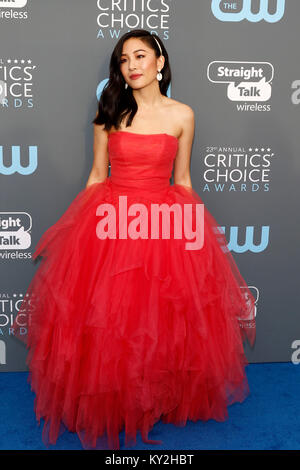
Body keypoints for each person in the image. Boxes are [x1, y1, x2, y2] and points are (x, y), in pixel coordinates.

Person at [13, 29, 256, 450]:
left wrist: (197, 235)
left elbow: (182, 179)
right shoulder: (110, 111)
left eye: (141, 56)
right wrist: (77, 229)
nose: (133, 65)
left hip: (164, 224)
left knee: (159, 319)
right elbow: (96, 175)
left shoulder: (183, 115)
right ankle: (116, 397)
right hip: (112, 221)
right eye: (125, 60)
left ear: (160, 62)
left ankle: (155, 399)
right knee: (112, 321)